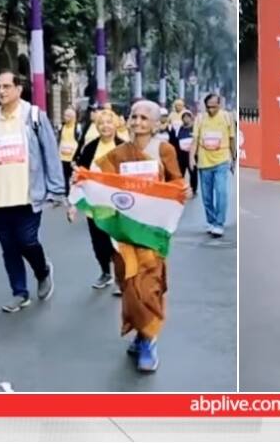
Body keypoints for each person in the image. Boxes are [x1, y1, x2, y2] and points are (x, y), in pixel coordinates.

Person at [94, 100, 191, 372]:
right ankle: (140, 334)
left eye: (144, 118)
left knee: (148, 286)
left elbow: (176, 182)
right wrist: (83, 179)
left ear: (156, 123)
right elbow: (104, 182)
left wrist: (178, 192)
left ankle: (149, 341)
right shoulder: (119, 152)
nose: (137, 122)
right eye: (133, 117)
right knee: (129, 285)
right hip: (125, 229)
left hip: (152, 230)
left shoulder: (164, 150)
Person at [0, 70, 64, 313]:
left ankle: (43, 271)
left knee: (27, 240)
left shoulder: (33, 116)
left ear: (18, 90)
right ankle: (19, 293)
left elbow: (50, 152)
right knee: (9, 248)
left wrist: (56, 189)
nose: (1, 91)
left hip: (27, 196)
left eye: (7, 86)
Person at [68, 109, 125, 292]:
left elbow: (134, 178)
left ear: (115, 124)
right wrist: (73, 205)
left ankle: (119, 278)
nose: (105, 126)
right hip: (94, 205)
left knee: (116, 243)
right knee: (99, 244)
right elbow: (80, 176)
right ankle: (105, 272)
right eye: (101, 123)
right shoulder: (90, 148)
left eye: (109, 122)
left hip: (117, 206)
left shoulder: (124, 148)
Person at [190, 93, 236, 237]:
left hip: (221, 160)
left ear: (219, 105)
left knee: (221, 192)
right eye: (208, 107)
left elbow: (232, 139)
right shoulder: (200, 119)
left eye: (214, 107)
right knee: (207, 196)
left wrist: (234, 157)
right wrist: (192, 157)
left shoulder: (226, 117)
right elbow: (195, 140)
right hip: (204, 162)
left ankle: (219, 223)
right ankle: (211, 221)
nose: (211, 110)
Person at [57, 107, 81, 195]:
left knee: (74, 176)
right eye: (64, 115)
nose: (65, 117)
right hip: (62, 156)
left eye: (67, 116)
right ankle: (67, 193)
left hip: (73, 157)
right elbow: (59, 139)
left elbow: (80, 140)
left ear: (72, 117)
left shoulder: (77, 127)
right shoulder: (62, 126)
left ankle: (75, 192)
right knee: (65, 175)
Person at [176, 111, 199, 197]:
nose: (186, 119)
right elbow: (176, 139)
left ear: (191, 118)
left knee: (193, 172)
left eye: (187, 117)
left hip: (192, 154)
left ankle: (193, 190)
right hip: (182, 154)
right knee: (180, 172)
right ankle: (180, 189)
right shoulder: (180, 128)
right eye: (184, 117)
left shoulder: (194, 128)